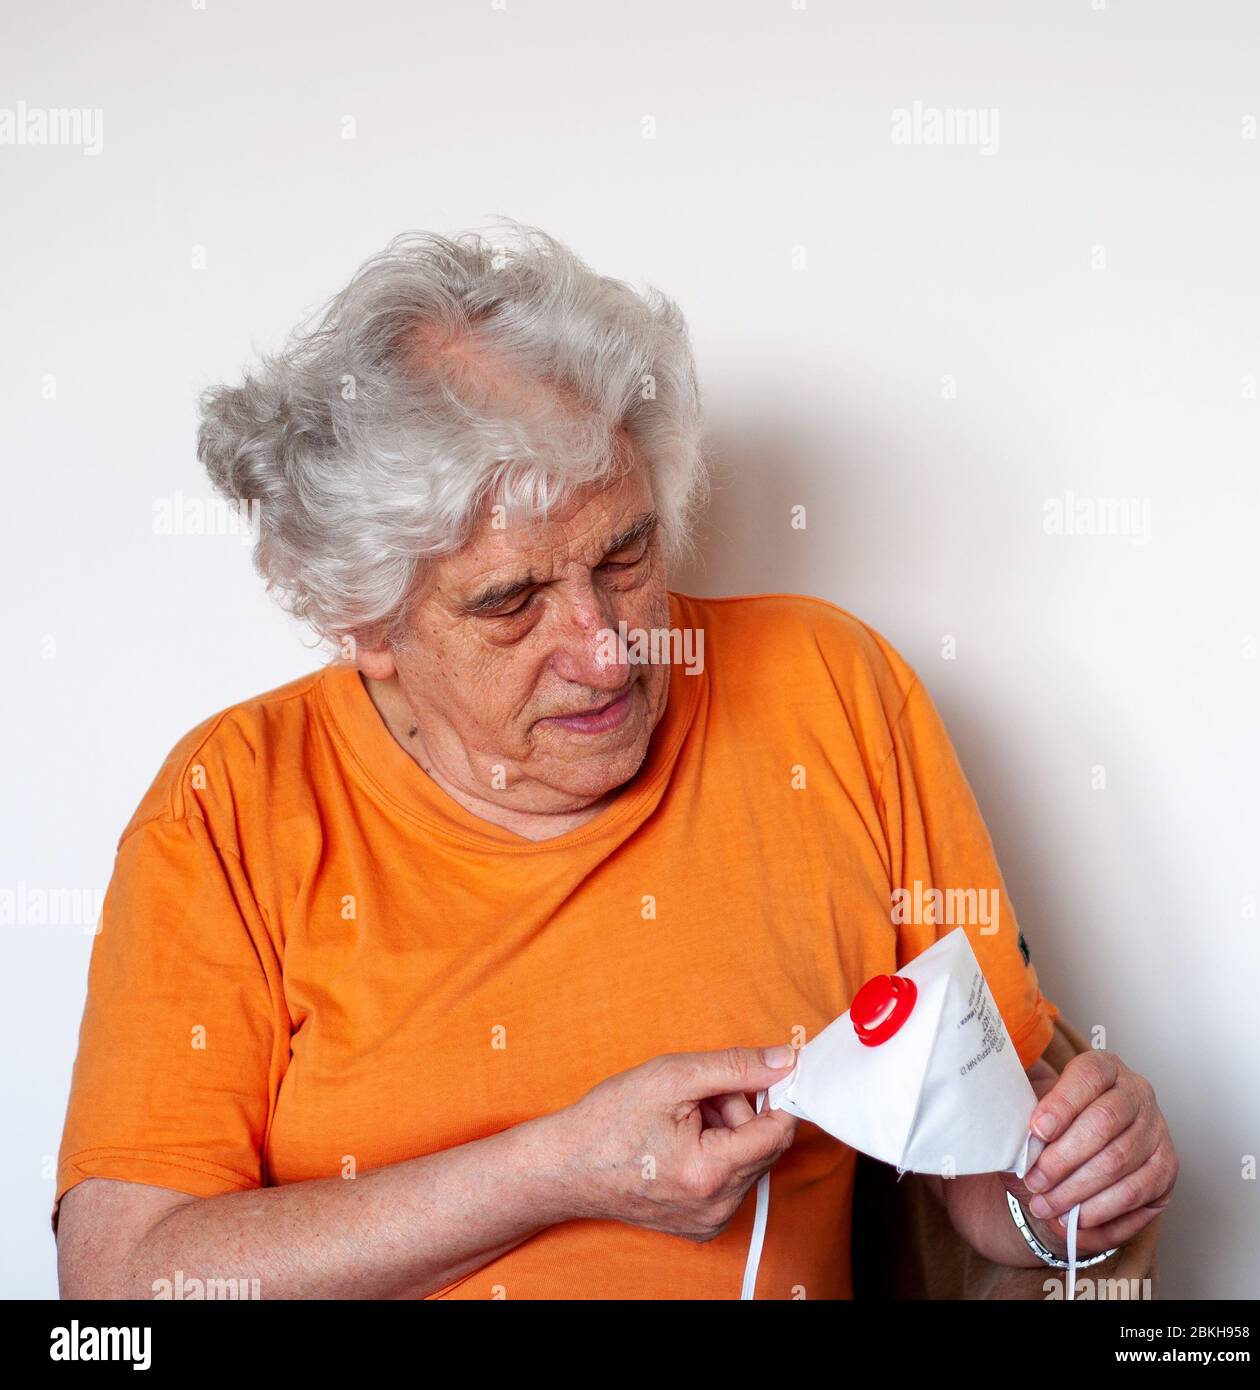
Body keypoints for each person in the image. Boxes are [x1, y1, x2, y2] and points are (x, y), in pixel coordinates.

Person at [54, 224, 1177, 1299]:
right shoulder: (232, 802)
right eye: (508, 601)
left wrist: (1062, 1188)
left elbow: (980, 1179)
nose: (605, 650)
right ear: (367, 625)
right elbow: (123, 1277)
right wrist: (548, 1171)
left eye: (626, 554)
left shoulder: (830, 689)